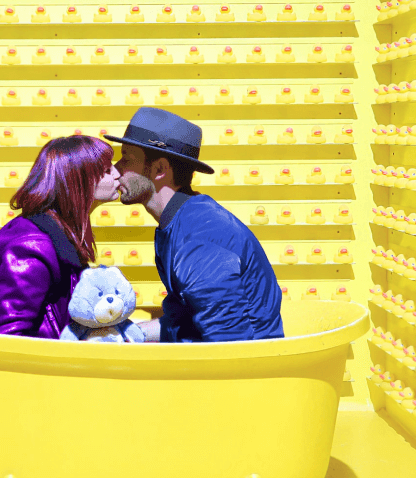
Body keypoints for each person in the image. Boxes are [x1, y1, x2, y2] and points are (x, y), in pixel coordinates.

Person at [107, 108, 284, 343]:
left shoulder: (199, 236)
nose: (115, 169)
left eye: (127, 158)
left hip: (245, 364)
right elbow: (184, 324)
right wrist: (126, 336)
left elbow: (228, 343)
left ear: (159, 169)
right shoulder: (182, 221)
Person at [0, 135, 120, 338]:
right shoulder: (34, 247)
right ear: (80, 181)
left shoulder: (59, 232)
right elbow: (7, 334)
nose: (118, 174)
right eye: (107, 171)